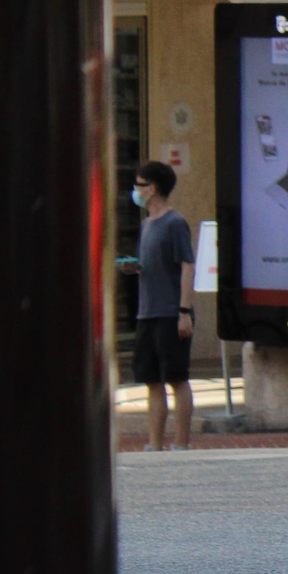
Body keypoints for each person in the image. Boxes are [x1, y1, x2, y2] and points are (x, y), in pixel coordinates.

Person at [122, 160, 197, 452]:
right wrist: (134, 268)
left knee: (176, 377)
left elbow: (187, 266)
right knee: (151, 379)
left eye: (139, 185)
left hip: (169, 312)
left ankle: (181, 443)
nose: (135, 191)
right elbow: (150, 264)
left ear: (151, 189)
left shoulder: (174, 222)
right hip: (146, 312)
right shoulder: (146, 224)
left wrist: (184, 312)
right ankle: (154, 443)